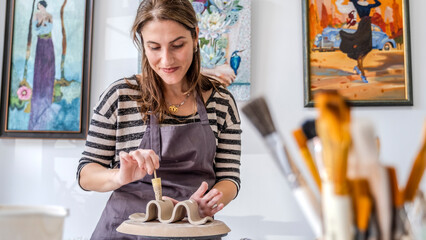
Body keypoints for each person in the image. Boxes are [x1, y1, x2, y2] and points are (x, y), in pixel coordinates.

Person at [76, 0, 242, 239]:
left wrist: (209, 202)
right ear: (142, 44)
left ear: (195, 37)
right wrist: (119, 176)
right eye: (154, 47)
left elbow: (229, 177)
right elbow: (86, 174)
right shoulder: (120, 97)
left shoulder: (222, 102)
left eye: (177, 45)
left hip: (192, 230)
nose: (166, 60)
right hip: (123, 232)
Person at [339, 0, 381, 83]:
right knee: (361, 50)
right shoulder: (362, 5)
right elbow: (378, 3)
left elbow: (378, 4)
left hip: (366, 25)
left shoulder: (361, 5)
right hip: (364, 25)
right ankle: (362, 74)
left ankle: (358, 67)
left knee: (367, 47)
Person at [29, 0, 55, 130]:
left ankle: (48, 94)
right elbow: (36, 30)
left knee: (48, 69)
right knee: (39, 69)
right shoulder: (37, 15)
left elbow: (49, 28)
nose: (39, 7)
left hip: (48, 43)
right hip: (40, 43)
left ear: (43, 6)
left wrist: (43, 25)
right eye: (38, 6)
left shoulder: (49, 15)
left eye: (40, 5)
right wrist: (41, 23)